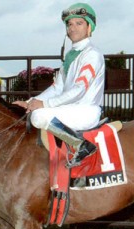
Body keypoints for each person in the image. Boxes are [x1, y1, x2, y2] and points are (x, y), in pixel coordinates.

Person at [13, 2, 104, 168]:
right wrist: (30, 102)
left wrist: (43, 104)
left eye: (79, 23)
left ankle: (81, 146)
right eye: (69, 24)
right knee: (35, 112)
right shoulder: (71, 55)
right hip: (70, 109)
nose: (73, 28)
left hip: (86, 110)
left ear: (89, 27)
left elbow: (78, 90)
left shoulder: (92, 55)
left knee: (39, 116)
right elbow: (57, 88)